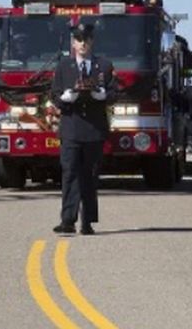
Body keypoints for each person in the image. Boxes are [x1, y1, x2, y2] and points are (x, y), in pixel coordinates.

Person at [51, 23, 116, 235]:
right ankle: (67, 220)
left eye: (86, 41)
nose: (82, 45)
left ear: (92, 42)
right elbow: (54, 94)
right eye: (78, 40)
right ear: (73, 43)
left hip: (94, 129)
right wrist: (64, 99)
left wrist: (103, 96)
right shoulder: (64, 66)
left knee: (89, 175)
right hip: (71, 127)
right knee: (70, 173)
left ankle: (87, 221)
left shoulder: (103, 66)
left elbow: (115, 92)